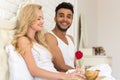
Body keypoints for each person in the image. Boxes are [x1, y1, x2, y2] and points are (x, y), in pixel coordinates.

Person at [11, 3, 84, 80]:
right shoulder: (23, 40)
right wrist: (64, 76)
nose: (42, 21)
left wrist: (68, 75)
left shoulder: (38, 41)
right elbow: (34, 70)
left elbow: (49, 66)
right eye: (38, 19)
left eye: (42, 18)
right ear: (29, 19)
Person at [45, 2, 75, 72]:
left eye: (69, 17)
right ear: (55, 18)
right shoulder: (49, 37)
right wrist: (81, 72)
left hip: (74, 76)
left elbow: (74, 64)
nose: (65, 19)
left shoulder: (71, 38)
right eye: (61, 16)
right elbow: (60, 66)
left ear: (71, 20)